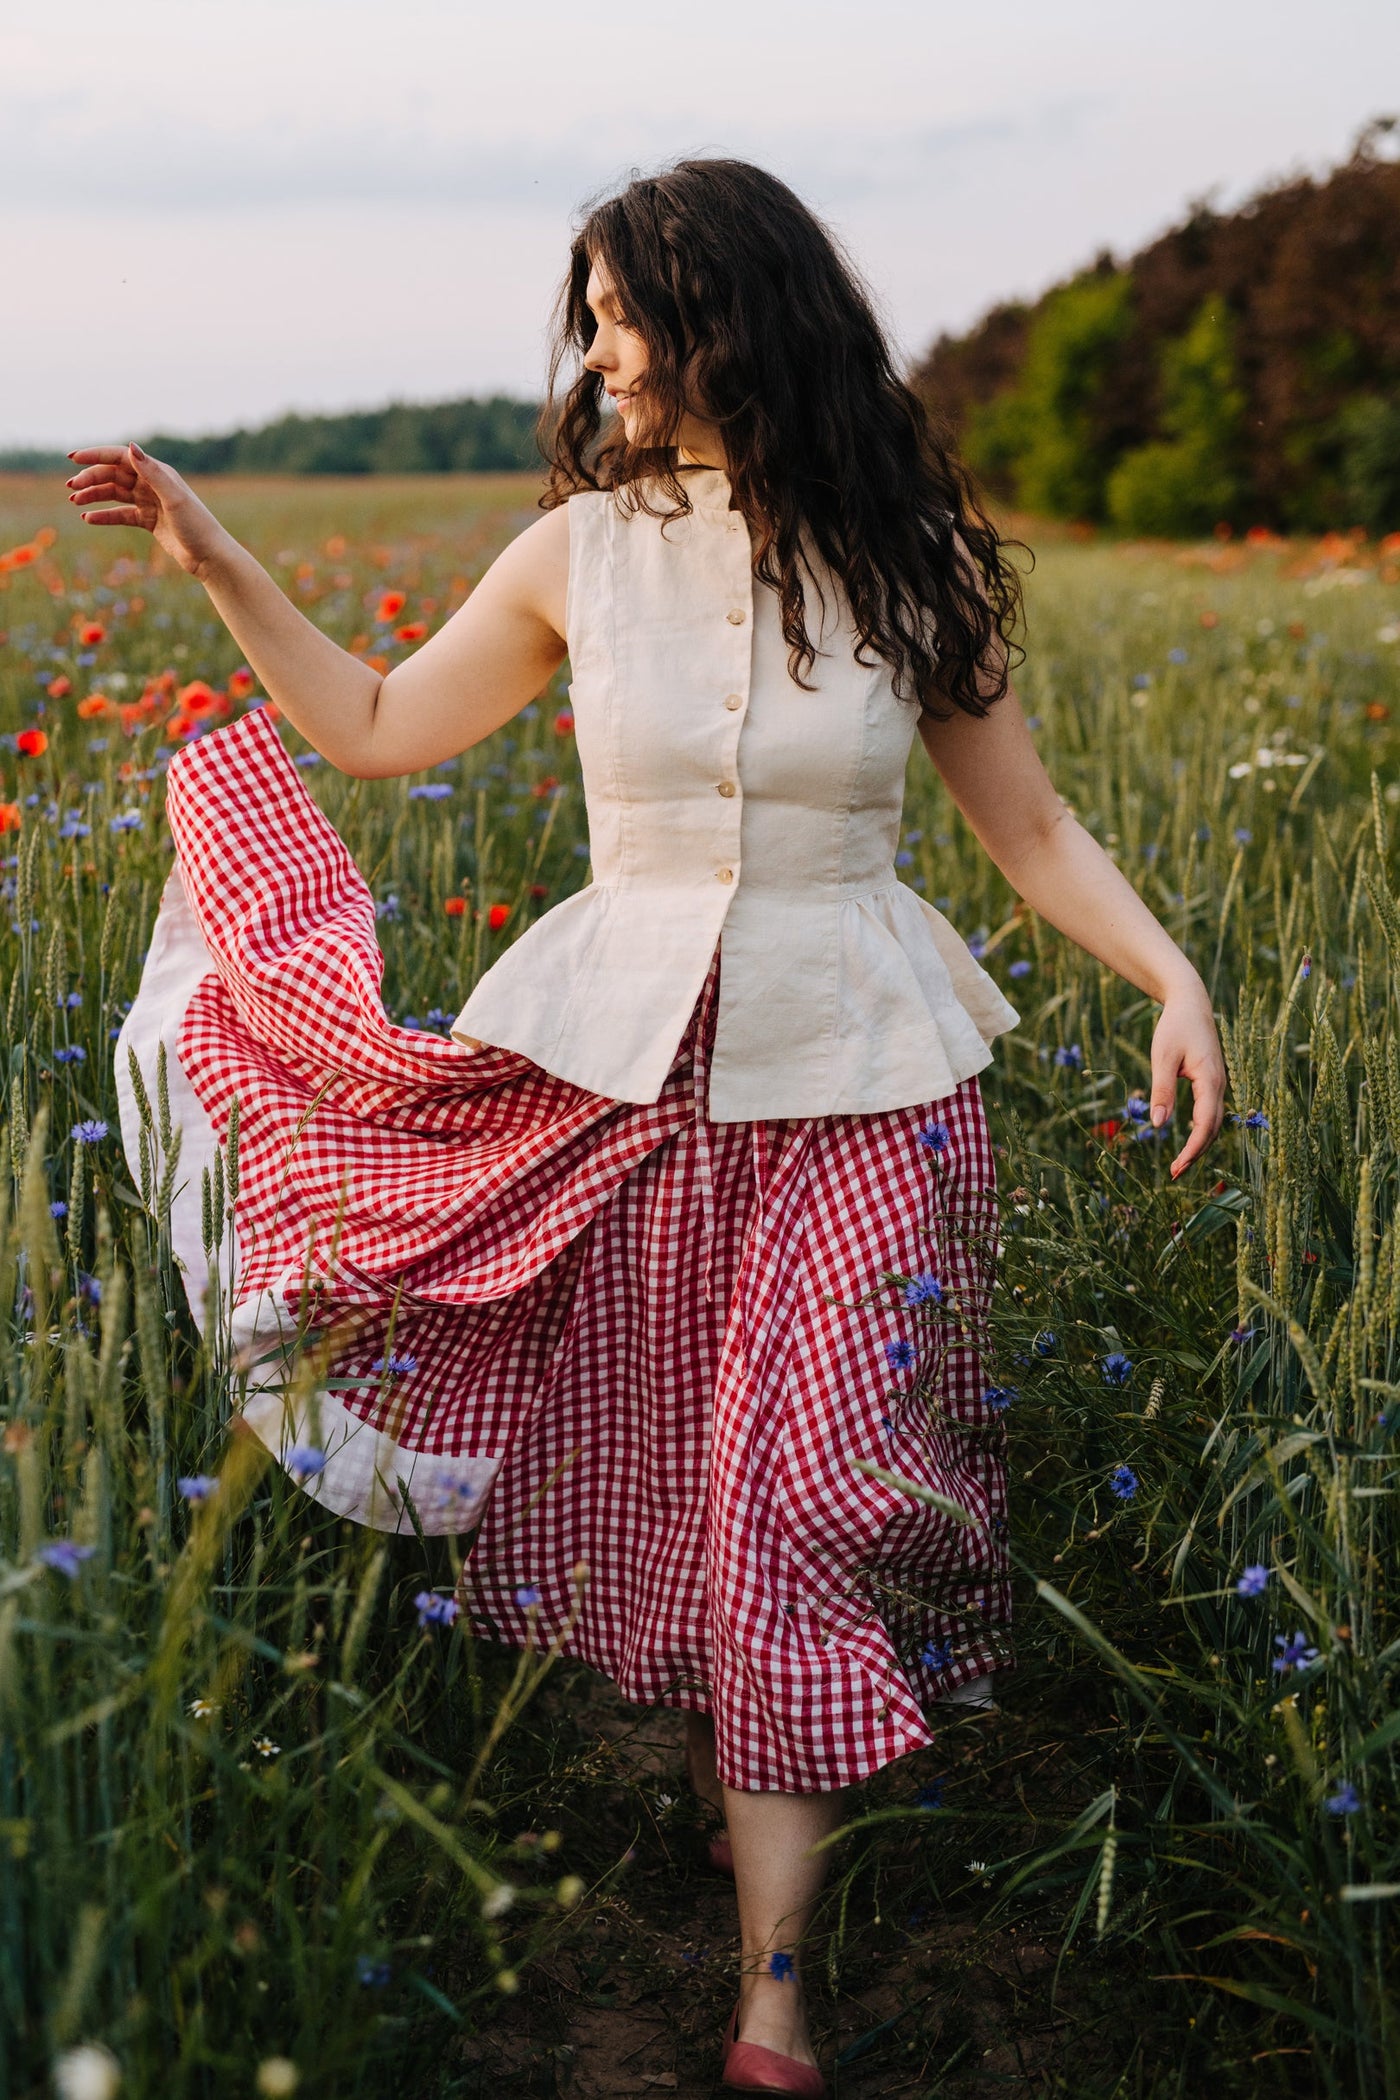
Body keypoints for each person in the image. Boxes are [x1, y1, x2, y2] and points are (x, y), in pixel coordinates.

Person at [69, 158, 1226, 2097]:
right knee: (685, 1470)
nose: (594, 350)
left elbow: (1024, 834)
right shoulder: (575, 552)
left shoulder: (904, 542)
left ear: (730, 321)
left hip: (866, 1071)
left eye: (624, 312)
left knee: (806, 1486)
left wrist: (1168, 970)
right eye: (587, 311)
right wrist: (213, 553)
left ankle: (772, 2000)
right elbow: (369, 724)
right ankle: (759, 1785)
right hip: (626, 1081)